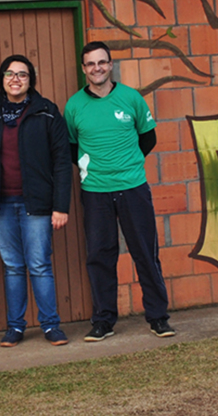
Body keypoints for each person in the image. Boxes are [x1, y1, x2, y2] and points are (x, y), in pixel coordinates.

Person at [64, 41, 176, 342]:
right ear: (84, 68)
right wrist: (100, 169)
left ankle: (158, 317)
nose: (96, 68)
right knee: (100, 256)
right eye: (90, 64)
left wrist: (127, 165)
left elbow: (148, 139)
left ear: (110, 64)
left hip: (133, 188)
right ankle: (103, 321)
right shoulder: (74, 106)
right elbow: (73, 149)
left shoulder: (131, 98)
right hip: (96, 192)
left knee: (145, 253)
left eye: (102, 62)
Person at [0, 55, 73, 347]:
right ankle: (15, 327)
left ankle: (51, 326)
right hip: (0, 206)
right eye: (10, 74)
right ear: (1, 79)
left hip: (36, 205)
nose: (15, 79)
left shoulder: (46, 111)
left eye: (22, 75)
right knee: (13, 266)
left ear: (31, 80)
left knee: (39, 264)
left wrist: (60, 205)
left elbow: (62, 162)